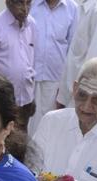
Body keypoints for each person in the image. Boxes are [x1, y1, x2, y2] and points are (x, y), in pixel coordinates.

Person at [56, 0, 97, 108]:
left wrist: (83, 102)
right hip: (76, 95)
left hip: (83, 99)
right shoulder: (91, 7)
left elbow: (95, 68)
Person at [29, 0, 78, 136]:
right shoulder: (31, 3)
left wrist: (66, 81)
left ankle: (41, 152)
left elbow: (73, 45)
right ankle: (25, 152)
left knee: (48, 117)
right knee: (27, 116)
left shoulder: (72, 8)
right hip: (29, 72)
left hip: (55, 74)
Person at [0, 0, 36, 132]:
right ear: (8, 2)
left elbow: (31, 58)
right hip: (4, 99)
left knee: (22, 140)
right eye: (20, 3)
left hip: (26, 98)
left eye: (28, 3)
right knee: (4, 138)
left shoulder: (32, 24)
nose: (25, 9)